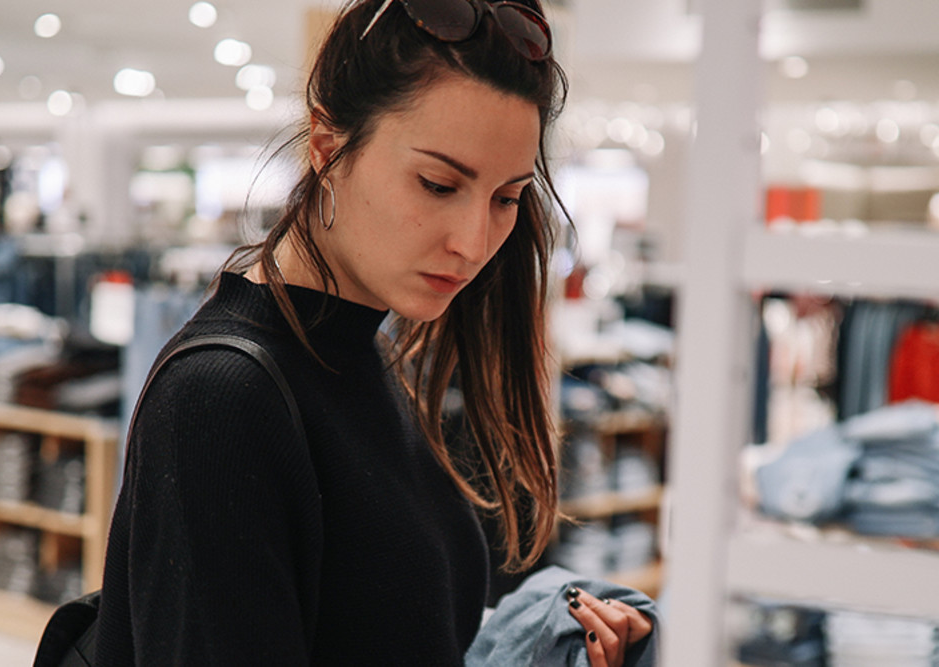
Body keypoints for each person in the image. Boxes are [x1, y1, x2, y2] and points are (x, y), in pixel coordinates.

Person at [93, 1, 653, 664]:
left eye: (507, 198)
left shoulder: (368, 357)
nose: (475, 243)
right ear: (328, 150)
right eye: (438, 184)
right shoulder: (222, 401)